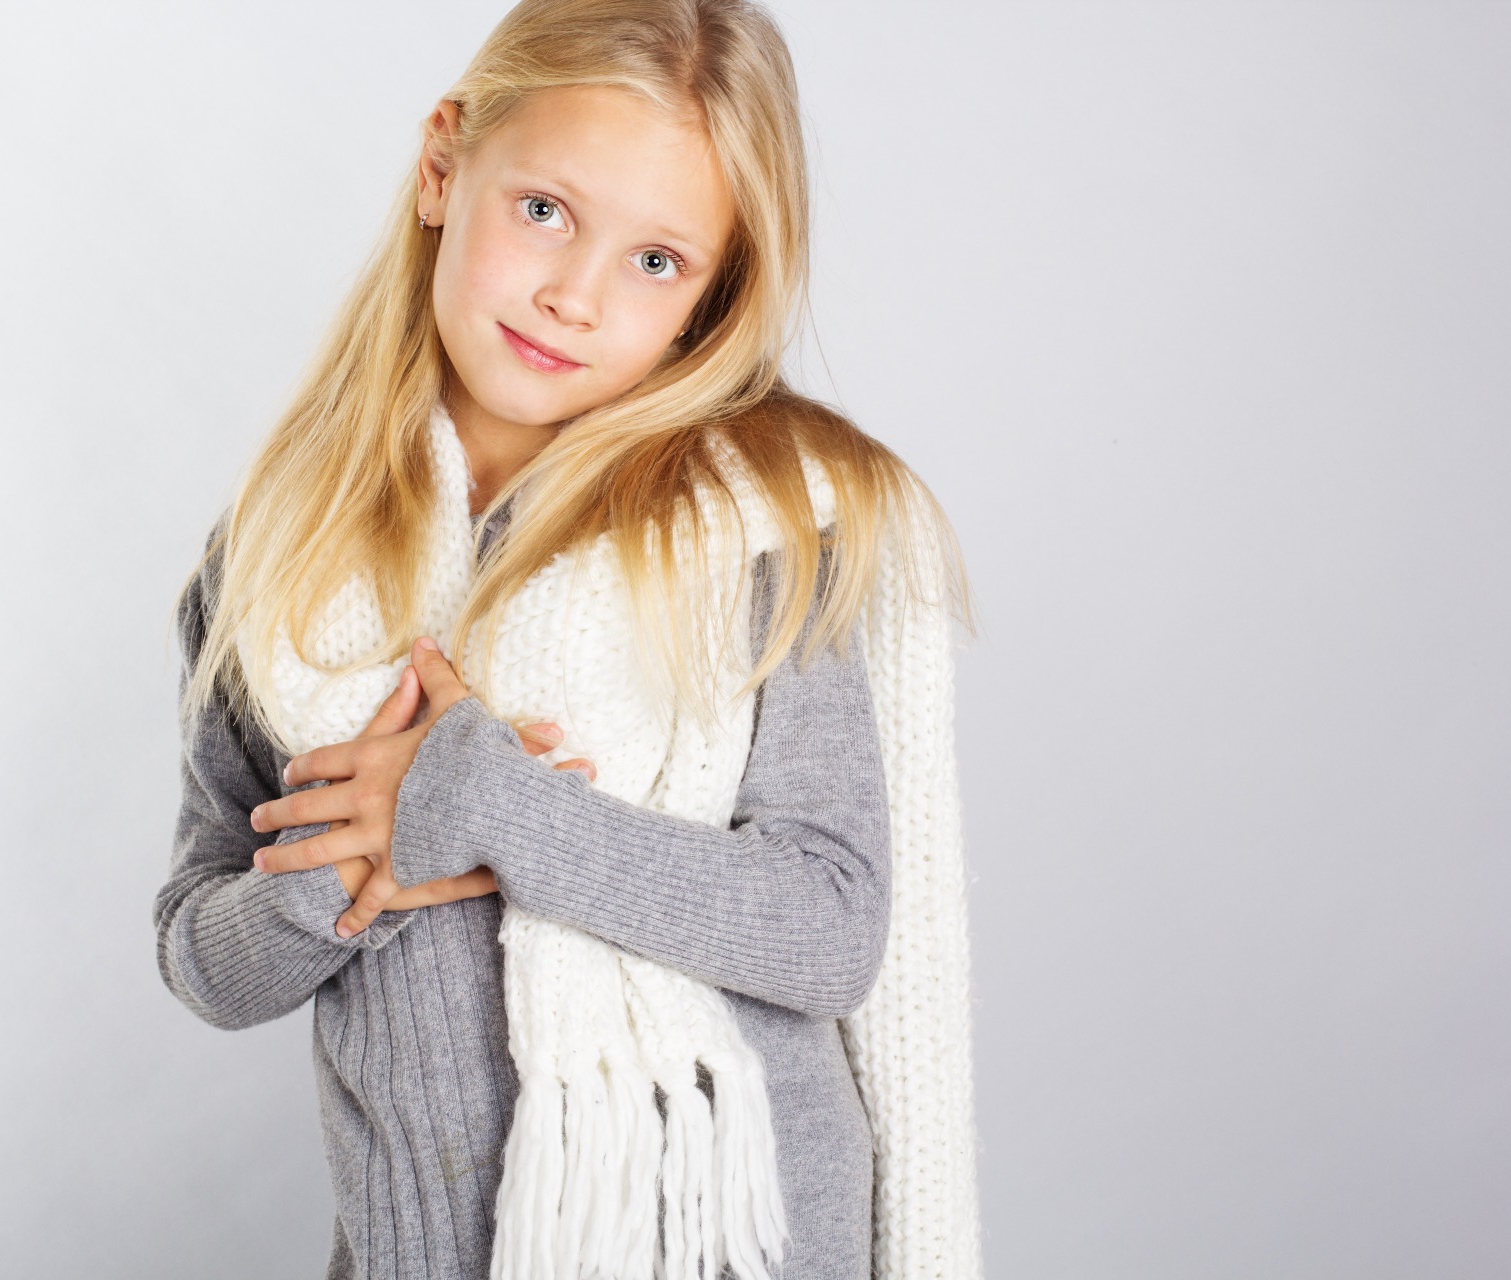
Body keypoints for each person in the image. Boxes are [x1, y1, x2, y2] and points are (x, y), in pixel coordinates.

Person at [153, 2, 984, 1277]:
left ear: (710, 298)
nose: (574, 296)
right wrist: (344, 868)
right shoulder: (277, 555)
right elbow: (201, 953)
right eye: (544, 209)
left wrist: (495, 806)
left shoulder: (761, 526)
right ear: (444, 166)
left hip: (733, 1238)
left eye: (656, 260)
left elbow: (829, 924)